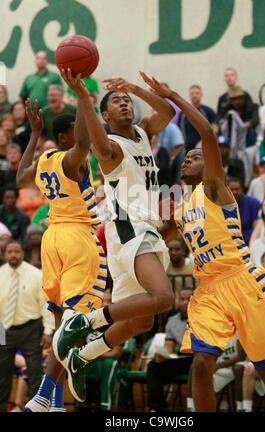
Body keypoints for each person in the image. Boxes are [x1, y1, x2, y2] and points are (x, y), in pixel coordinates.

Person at [142, 74, 265, 412]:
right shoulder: (180, 207)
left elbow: (207, 134)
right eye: (185, 157)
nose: (188, 158)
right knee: (200, 364)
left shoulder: (215, 188)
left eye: (196, 156)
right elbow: (155, 235)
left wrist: (172, 97)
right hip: (209, 290)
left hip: (244, 281)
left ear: (209, 165)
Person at [51, 69, 175, 403]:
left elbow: (167, 112)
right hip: (129, 229)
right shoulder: (113, 147)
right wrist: (83, 98)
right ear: (105, 115)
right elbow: (97, 144)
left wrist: (135, 88)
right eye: (116, 102)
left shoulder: (142, 132)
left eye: (126, 100)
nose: (124, 104)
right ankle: (82, 324)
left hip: (140, 232)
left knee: (142, 321)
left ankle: (83, 356)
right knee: (164, 297)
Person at [16, 97, 107, 411]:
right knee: (74, 326)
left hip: (50, 239)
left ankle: (54, 404)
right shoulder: (71, 159)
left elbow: (20, 178)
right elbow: (83, 140)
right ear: (67, 137)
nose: (86, 138)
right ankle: (42, 398)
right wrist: (82, 97)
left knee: (59, 325)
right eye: (76, 131)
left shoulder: (45, 159)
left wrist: (33, 134)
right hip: (77, 239)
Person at [0, 240, 54, 412]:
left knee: (34, 372)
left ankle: (34, 409)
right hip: (3, 329)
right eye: (10, 252)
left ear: (23, 253)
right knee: (2, 374)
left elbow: (45, 306)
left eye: (17, 251)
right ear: (4, 254)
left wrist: (47, 331)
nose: (13, 255)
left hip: (31, 329)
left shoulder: (36, 275)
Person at [146, 287, 193, 412]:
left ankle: (194, 407)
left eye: (189, 299)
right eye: (182, 299)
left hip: (199, 356)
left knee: (198, 363)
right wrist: (162, 354)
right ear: (178, 300)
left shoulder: (203, 317)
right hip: (182, 357)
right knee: (153, 366)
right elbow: (169, 345)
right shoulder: (172, 320)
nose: (185, 302)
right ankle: (157, 409)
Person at [177, 84, 217, 152]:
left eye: (197, 93)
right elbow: (178, 130)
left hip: (204, 148)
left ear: (201, 95)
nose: (194, 95)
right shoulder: (183, 114)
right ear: (189, 96)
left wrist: (203, 142)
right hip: (186, 149)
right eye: (192, 93)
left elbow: (215, 129)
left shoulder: (208, 111)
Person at [228, 177, 260, 245]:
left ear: (242, 189)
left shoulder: (253, 202)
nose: (234, 192)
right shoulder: (221, 205)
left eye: (237, 189)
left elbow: (257, 227)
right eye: (231, 190)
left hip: (249, 240)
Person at [166, 237, 197, 305]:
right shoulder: (164, 268)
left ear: (184, 251)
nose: (173, 252)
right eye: (170, 250)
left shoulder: (193, 266)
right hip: (172, 308)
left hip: (192, 305)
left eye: (177, 249)